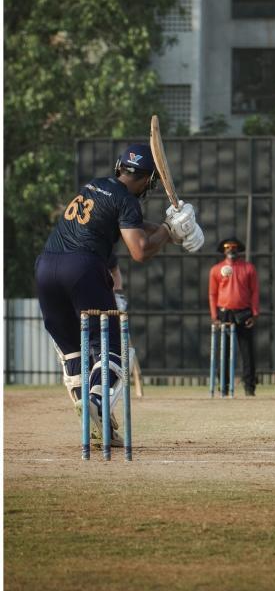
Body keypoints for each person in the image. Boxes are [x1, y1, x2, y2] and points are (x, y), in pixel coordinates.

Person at [35, 142, 204, 447]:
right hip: (82, 267)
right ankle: (97, 403)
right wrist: (168, 228)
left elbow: (133, 226)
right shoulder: (127, 200)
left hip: (46, 266)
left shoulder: (96, 186)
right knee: (114, 347)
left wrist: (174, 234)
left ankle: (97, 424)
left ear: (119, 167)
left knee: (73, 350)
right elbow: (139, 250)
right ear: (148, 180)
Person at [209, 237, 259, 396]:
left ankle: (249, 387)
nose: (231, 249)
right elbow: (212, 294)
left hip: (244, 312)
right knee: (224, 352)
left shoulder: (248, 268)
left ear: (239, 249)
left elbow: (255, 292)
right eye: (227, 247)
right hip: (225, 312)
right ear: (223, 250)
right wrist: (214, 315)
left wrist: (254, 313)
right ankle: (223, 385)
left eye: (234, 247)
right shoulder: (216, 269)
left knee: (247, 352)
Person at [107, 252, 144, 398]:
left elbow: (115, 273)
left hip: (114, 299)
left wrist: (117, 294)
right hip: (99, 299)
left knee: (126, 343)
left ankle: (138, 382)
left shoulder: (107, 253)